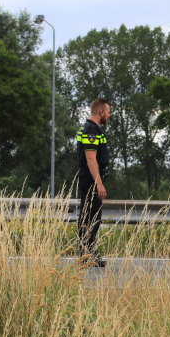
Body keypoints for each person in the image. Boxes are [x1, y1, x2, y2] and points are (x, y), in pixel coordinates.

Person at [76, 98, 111, 267]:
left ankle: (86, 252)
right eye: (108, 112)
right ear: (101, 112)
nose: (109, 116)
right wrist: (99, 184)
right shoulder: (91, 130)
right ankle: (86, 254)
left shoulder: (91, 129)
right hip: (91, 179)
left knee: (89, 216)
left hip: (90, 177)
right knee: (91, 217)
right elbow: (91, 159)